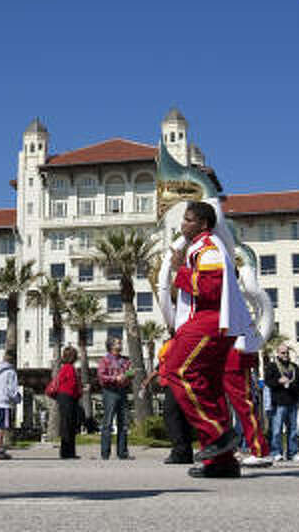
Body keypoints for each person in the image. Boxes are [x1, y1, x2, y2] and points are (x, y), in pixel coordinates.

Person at [161, 201, 251, 478]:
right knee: (209, 387)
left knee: (178, 371)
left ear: (203, 224)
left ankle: (218, 435)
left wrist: (180, 270)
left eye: (188, 220)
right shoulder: (204, 247)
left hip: (207, 321)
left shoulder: (207, 247)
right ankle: (222, 462)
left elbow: (209, 289)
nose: (182, 224)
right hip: (213, 322)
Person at [140, 336, 194, 464]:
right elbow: (159, 367)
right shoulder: (172, 342)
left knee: (172, 416)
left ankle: (180, 452)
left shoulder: (177, 341)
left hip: (175, 382)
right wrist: (147, 380)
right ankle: (185, 452)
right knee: (180, 417)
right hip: (173, 382)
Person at [224, 340, 270, 466]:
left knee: (245, 407)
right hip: (221, 358)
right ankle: (222, 451)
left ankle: (260, 451)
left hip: (235, 359)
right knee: (219, 409)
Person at [264, 344, 299, 462]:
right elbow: (268, 382)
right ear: (278, 353)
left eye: (287, 352)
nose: (285, 355)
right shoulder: (272, 366)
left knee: (293, 430)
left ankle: (293, 452)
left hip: (292, 401)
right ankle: (276, 452)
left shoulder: (294, 367)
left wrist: (295, 390)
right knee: (276, 430)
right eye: (282, 353)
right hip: (278, 402)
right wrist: (278, 381)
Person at [97, 336, 133, 460]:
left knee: (123, 423)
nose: (120, 344)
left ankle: (122, 452)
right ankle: (105, 453)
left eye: (120, 342)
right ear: (111, 346)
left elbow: (130, 372)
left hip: (122, 391)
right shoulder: (105, 360)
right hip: (110, 392)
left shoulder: (125, 360)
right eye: (118, 342)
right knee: (107, 422)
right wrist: (115, 378)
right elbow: (101, 376)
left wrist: (128, 375)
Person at [53, 346, 83, 459]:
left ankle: (68, 451)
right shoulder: (68, 368)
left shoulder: (65, 368)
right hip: (68, 398)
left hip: (66, 397)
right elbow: (71, 384)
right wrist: (80, 391)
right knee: (68, 425)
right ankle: (67, 452)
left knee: (69, 425)